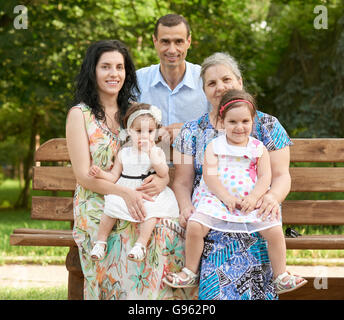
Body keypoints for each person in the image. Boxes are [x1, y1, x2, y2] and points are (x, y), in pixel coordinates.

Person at [66, 39, 196, 300]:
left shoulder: (134, 111)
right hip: (98, 204)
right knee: (126, 237)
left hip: (142, 198)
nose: (114, 74)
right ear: (93, 71)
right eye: (105, 67)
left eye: (119, 67)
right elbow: (83, 176)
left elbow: (155, 157)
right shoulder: (80, 115)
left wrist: (161, 182)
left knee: (164, 229)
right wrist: (125, 194)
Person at [170, 52, 306, 300]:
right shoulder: (190, 131)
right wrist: (186, 206)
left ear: (239, 82)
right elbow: (181, 181)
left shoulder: (267, 125)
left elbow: (280, 175)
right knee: (206, 231)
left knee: (264, 231)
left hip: (254, 208)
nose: (220, 87)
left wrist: (271, 197)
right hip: (211, 211)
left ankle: (278, 276)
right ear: (204, 90)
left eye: (226, 79)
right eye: (211, 83)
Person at [89, 103, 179, 262]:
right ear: (129, 131)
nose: (144, 136)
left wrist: (152, 153)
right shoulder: (124, 153)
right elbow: (113, 176)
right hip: (126, 191)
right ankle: (100, 242)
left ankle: (141, 245)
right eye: (139, 131)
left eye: (150, 131)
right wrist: (100, 173)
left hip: (147, 193)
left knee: (152, 211)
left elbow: (163, 172)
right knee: (110, 207)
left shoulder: (157, 151)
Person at [136, 13, 211, 141]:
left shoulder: (206, 79)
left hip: (196, 160)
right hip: (147, 159)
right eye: (165, 42)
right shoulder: (138, 80)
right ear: (155, 41)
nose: (172, 50)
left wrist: (188, 130)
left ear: (188, 42)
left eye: (178, 42)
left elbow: (223, 125)